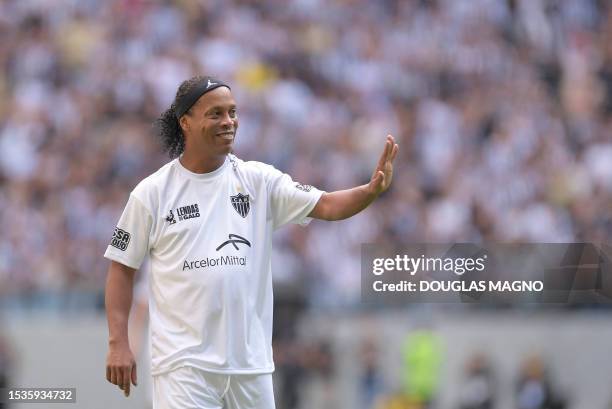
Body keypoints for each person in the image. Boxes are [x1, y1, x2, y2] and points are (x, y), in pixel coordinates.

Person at [104, 75, 398, 409]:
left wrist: (369, 190)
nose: (228, 121)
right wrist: (119, 343)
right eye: (215, 114)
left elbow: (328, 205)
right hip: (183, 366)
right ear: (185, 122)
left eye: (232, 112)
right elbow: (121, 268)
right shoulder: (152, 194)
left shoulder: (258, 180)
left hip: (250, 367)